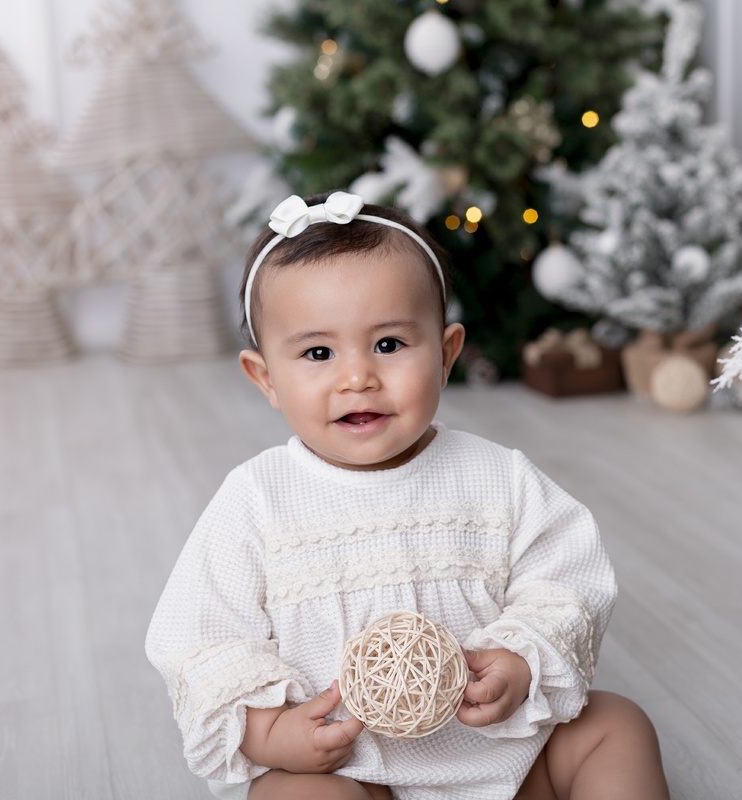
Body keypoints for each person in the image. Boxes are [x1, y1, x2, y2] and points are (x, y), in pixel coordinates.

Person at [145, 191, 670, 800]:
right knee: (290, 795)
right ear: (265, 379)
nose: (357, 377)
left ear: (446, 354)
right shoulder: (257, 499)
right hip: (357, 771)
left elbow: (567, 580)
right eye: (318, 353)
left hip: (512, 760)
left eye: (389, 344)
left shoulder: (497, 477)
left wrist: (520, 661)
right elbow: (203, 639)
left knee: (616, 726)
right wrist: (273, 734)